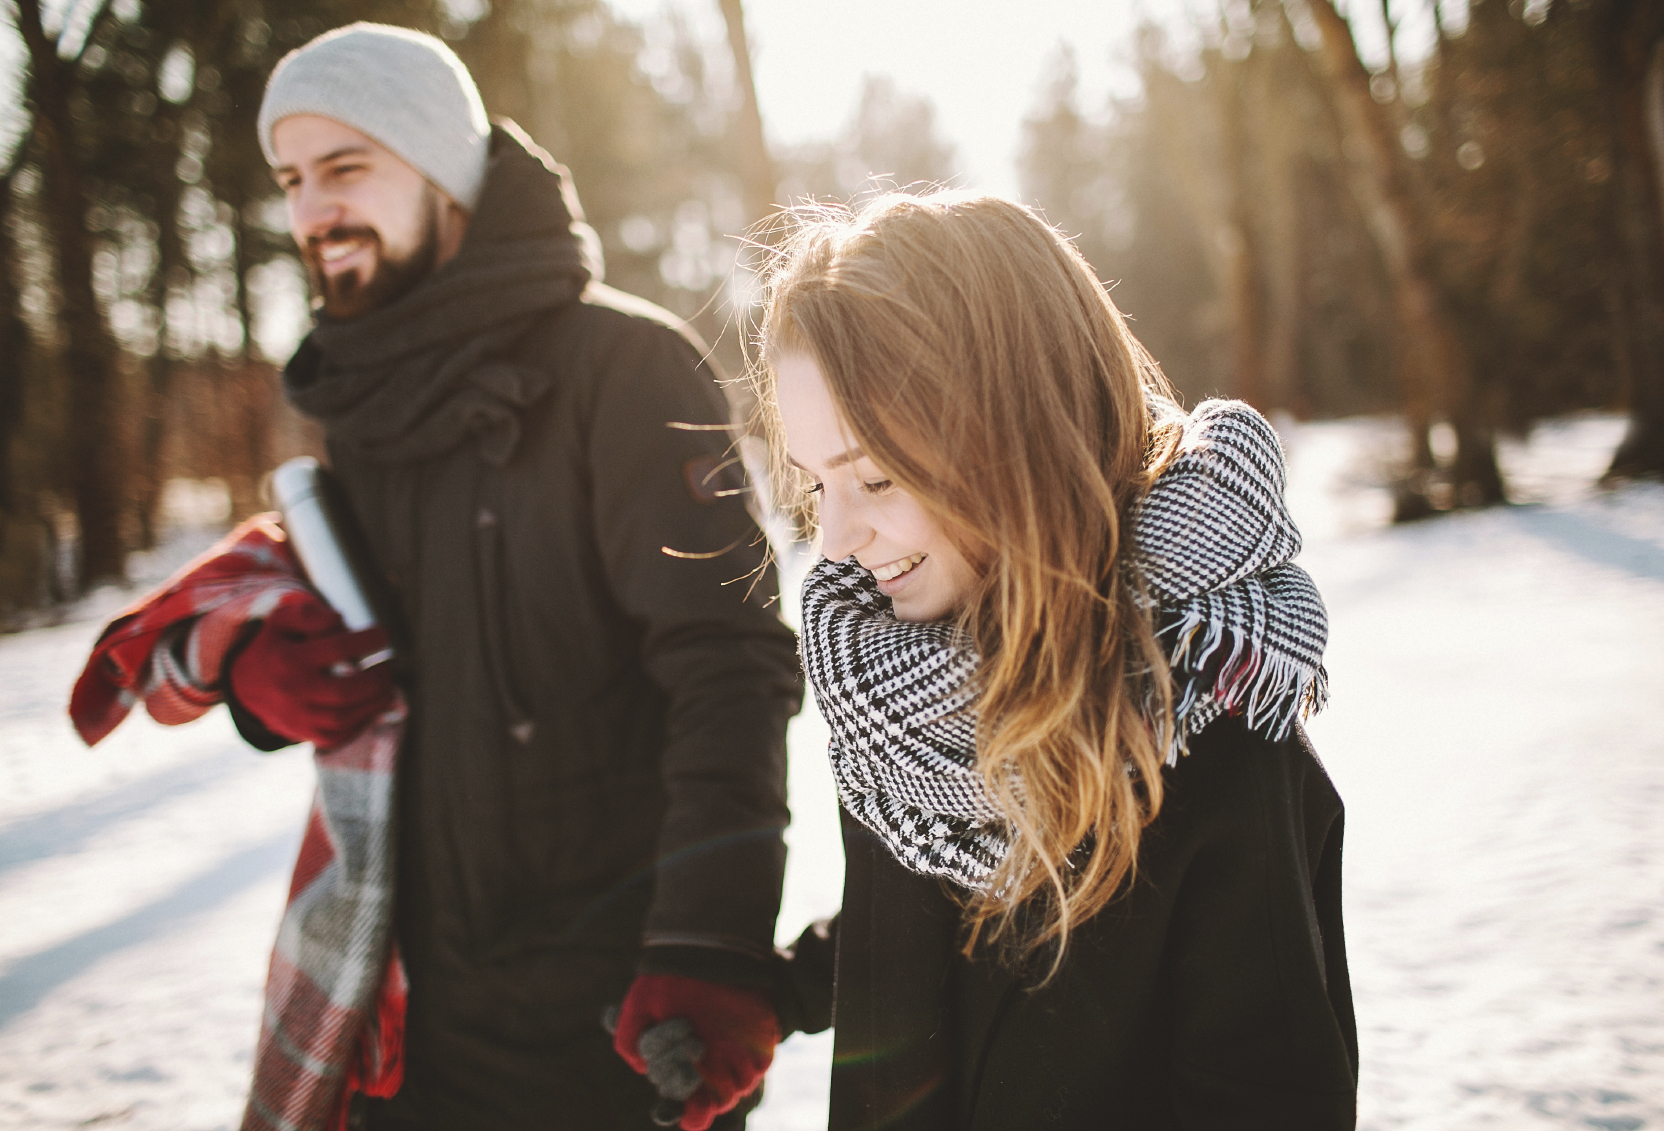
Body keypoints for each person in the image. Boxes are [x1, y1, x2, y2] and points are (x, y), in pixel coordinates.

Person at [233, 22, 801, 1130]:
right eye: (293, 180)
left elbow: (729, 666)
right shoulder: (361, 405)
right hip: (406, 1023)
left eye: (346, 168)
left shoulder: (624, 370)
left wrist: (709, 944)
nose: (312, 212)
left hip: (616, 1028)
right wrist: (261, 686)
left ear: (445, 172)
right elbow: (377, 667)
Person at [755, 193, 1359, 1130]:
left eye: (873, 477)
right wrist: (772, 997)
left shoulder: (1209, 737)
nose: (833, 540)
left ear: (1018, 433)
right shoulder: (896, 706)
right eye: (815, 482)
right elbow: (932, 925)